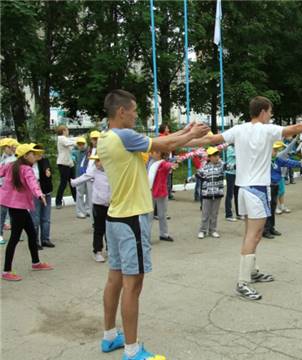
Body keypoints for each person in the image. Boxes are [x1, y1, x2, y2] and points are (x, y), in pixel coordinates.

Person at [184, 96, 302, 300]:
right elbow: (298, 128)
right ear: (262, 112)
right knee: (254, 234)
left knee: (252, 234)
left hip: (244, 189)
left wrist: (180, 141)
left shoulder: (239, 129)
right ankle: (242, 282)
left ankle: (252, 270)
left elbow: (209, 140)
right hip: (257, 190)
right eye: (269, 112)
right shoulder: (267, 130)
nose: (270, 116)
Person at [97, 89, 208, 359]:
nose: (136, 114)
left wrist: (184, 130)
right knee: (133, 285)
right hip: (132, 218)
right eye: (134, 110)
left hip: (116, 216)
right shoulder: (124, 136)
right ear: (121, 111)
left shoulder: (106, 136)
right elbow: (166, 146)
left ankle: (110, 337)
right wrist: (192, 135)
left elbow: (162, 141)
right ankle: (133, 351)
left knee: (114, 279)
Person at [0, 143, 53, 281]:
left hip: (16, 206)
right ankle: (6, 271)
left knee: (31, 233)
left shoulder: (12, 166)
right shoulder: (25, 169)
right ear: (25, 156)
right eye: (33, 154)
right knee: (14, 238)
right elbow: (33, 183)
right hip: (18, 208)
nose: (36, 156)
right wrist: (40, 194)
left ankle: (36, 263)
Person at [264, 141, 302, 238]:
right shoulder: (264, 161)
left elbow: (288, 162)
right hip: (267, 186)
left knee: (272, 208)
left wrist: (301, 164)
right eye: (274, 150)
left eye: (277, 150)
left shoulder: (277, 159)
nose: (276, 152)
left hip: (275, 185)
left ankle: (271, 227)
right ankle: (265, 230)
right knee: (267, 208)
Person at [71, 154, 111, 262]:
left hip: (110, 204)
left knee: (110, 229)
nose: (97, 163)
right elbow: (84, 177)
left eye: (99, 160)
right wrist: (73, 182)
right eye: (96, 161)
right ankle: (97, 251)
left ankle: (110, 250)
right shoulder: (93, 171)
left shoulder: (112, 170)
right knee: (99, 228)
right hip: (98, 204)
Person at [197, 147, 225, 239]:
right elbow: (197, 175)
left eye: (217, 155)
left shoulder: (221, 165)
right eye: (214, 156)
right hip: (207, 194)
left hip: (218, 193)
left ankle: (213, 230)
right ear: (209, 157)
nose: (217, 157)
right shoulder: (204, 168)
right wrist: (188, 180)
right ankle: (202, 230)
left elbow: (231, 166)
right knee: (205, 213)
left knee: (214, 213)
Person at [148, 151, 176, 242]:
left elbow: (167, 165)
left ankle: (163, 234)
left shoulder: (163, 163)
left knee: (162, 214)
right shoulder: (149, 162)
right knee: (149, 216)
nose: (151, 153)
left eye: (155, 152)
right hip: (149, 191)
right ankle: (146, 237)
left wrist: (172, 166)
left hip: (161, 192)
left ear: (160, 154)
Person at [30, 144, 55, 249]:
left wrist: (49, 172)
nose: (41, 154)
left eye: (41, 152)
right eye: (38, 153)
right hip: (34, 194)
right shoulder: (28, 165)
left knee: (46, 218)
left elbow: (49, 171)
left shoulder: (44, 161)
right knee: (35, 218)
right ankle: (34, 241)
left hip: (46, 191)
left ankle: (45, 239)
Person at [0, 138, 18, 245]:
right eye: (9, 147)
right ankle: (0, 234)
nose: (11, 149)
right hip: (2, 187)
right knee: (2, 212)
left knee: (14, 211)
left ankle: (15, 234)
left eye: (12, 147)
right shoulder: (3, 159)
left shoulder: (13, 158)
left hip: (11, 187)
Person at [55, 125, 77, 209]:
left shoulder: (65, 139)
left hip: (69, 163)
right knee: (63, 183)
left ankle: (76, 199)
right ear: (63, 131)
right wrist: (78, 141)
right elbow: (69, 142)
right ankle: (58, 201)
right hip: (63, 164)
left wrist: (77, 139)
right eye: (67, 130)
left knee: (73, 182)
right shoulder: (61, 138)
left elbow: (71, 142)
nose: (68, 131)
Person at [73, 136, 91, 218]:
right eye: (79, 144)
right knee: (79, 194)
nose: (81, 146)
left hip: (88, 175)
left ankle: (88, 210)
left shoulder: (89, 151)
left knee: (88, 193)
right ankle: (79, 211)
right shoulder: (76, 152)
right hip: (79, 175)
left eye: (82, 144)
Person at [224, 144, 240, 221]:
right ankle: (228, 215)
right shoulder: (230, 148)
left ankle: (239, 214)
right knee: (230, 194)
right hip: (230, 173)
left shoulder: (239, 146)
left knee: (237, 194)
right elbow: (239, 155)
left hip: (238, 173)